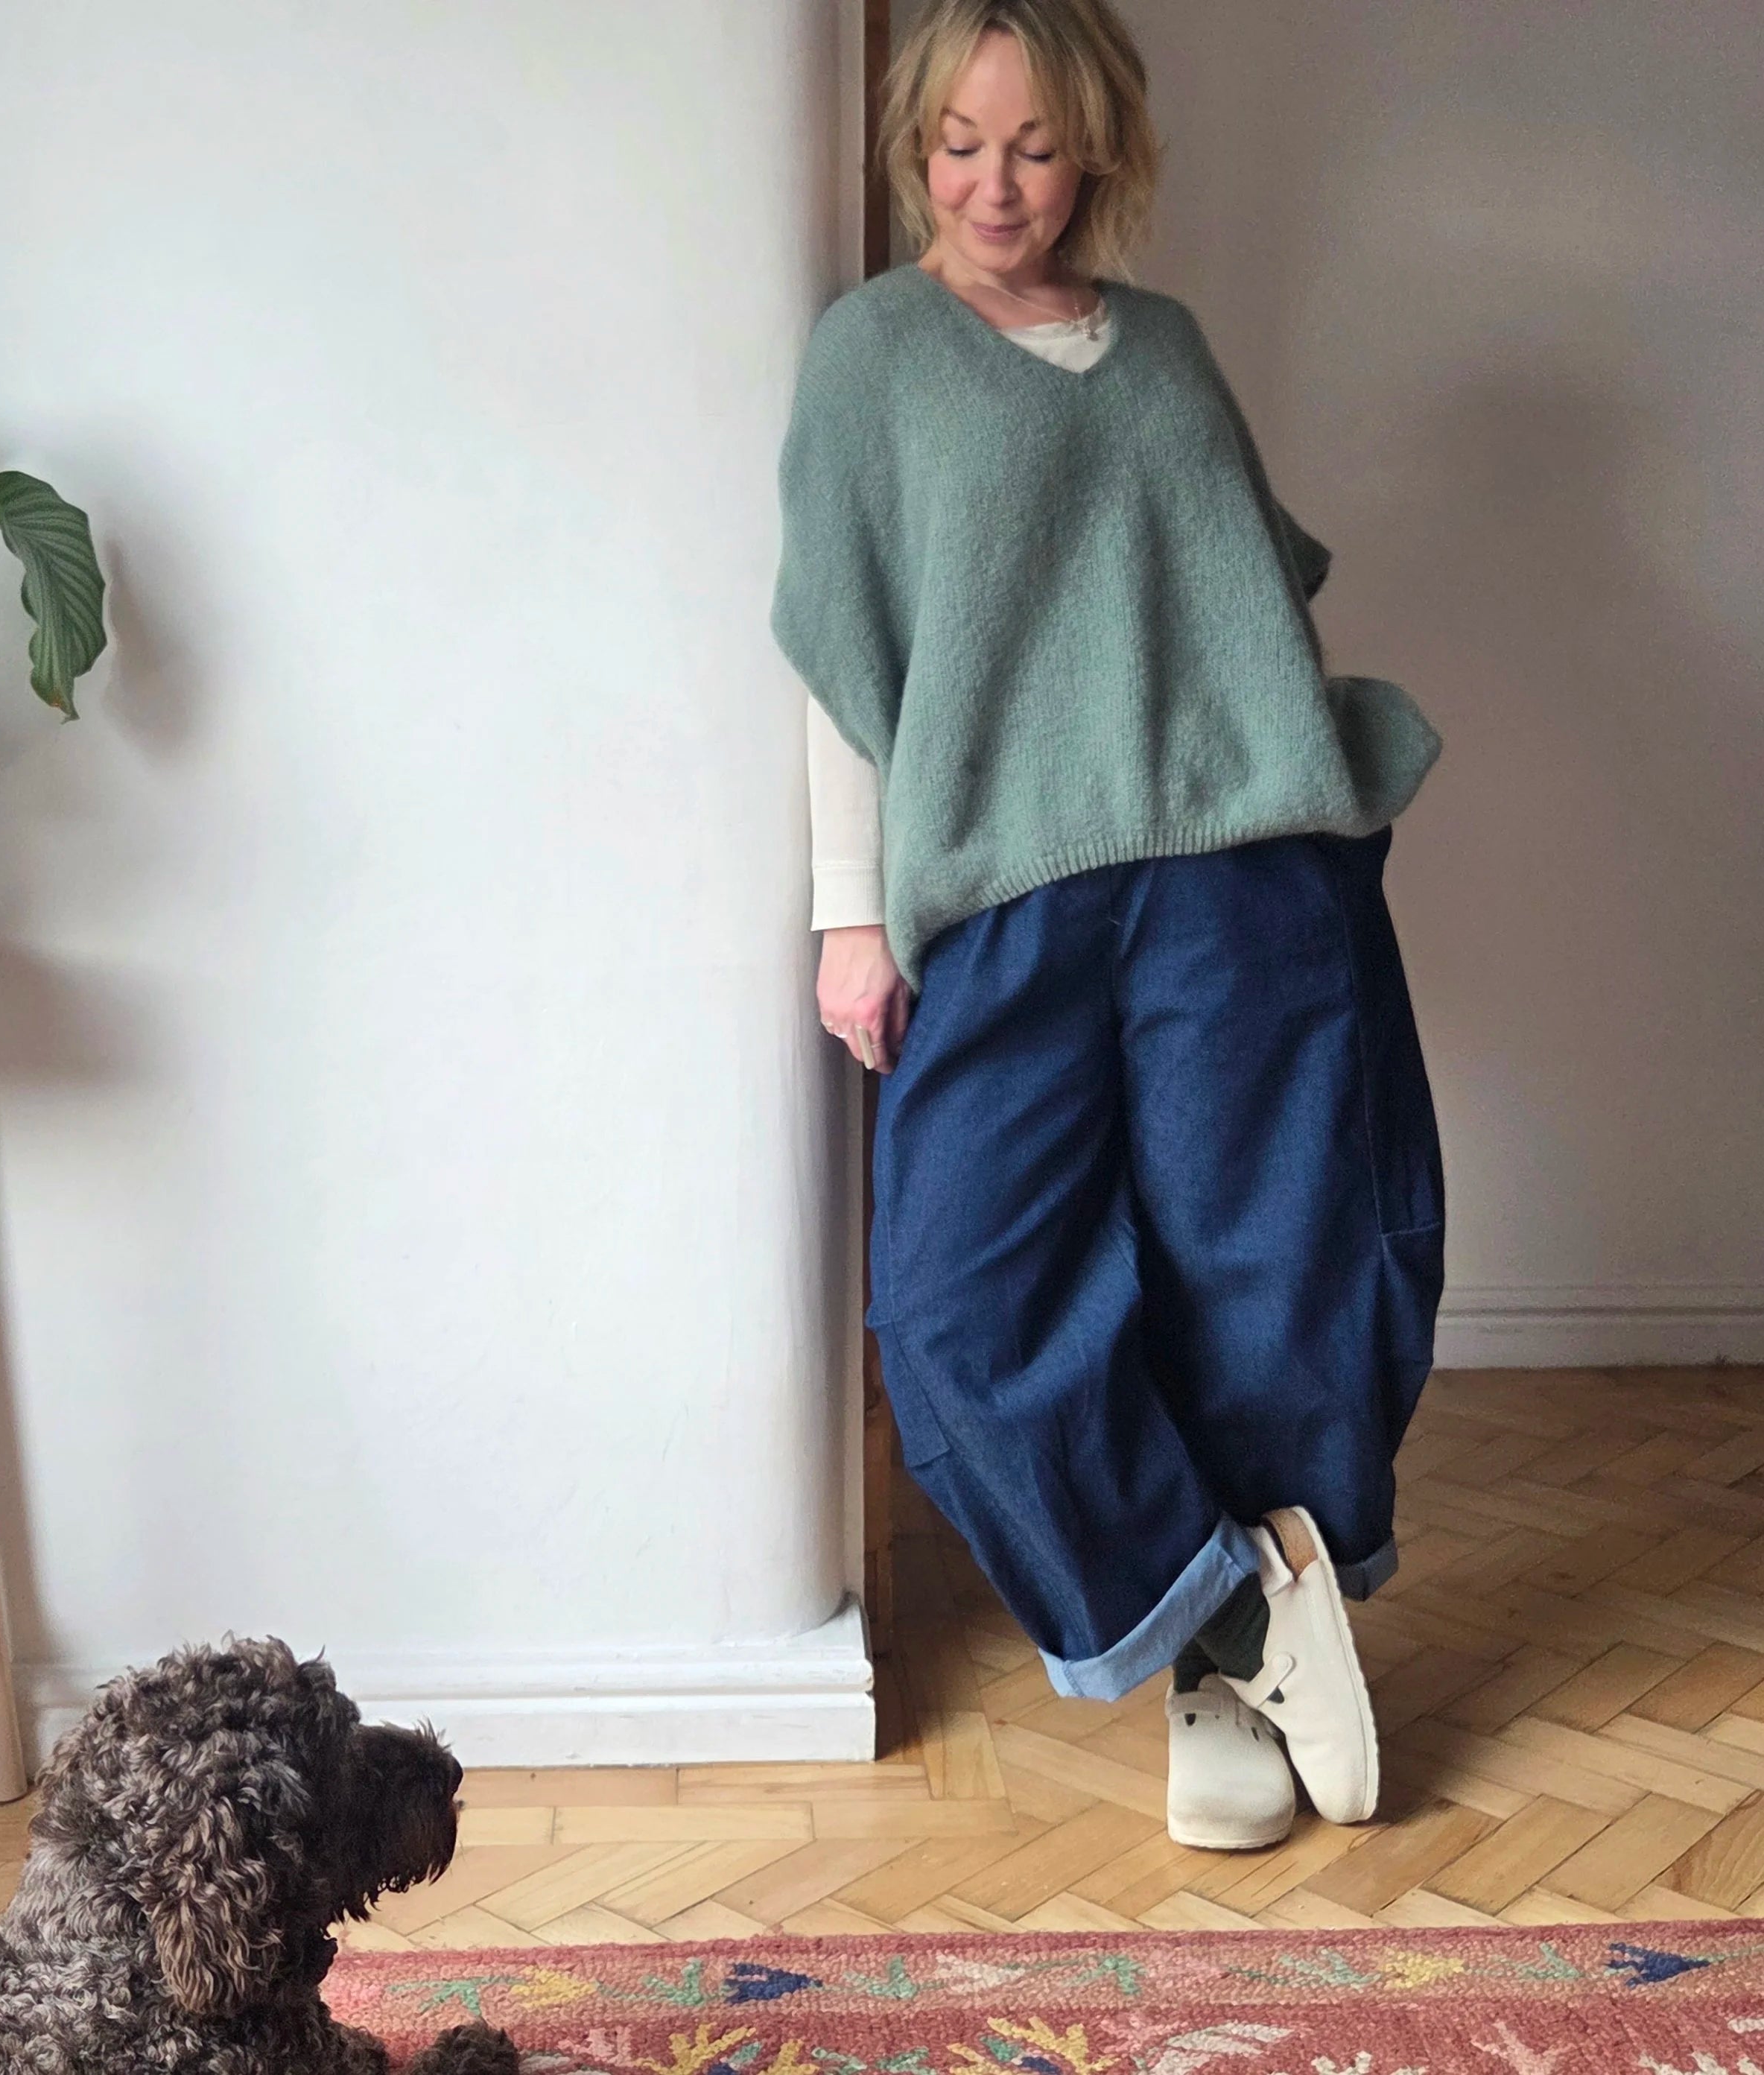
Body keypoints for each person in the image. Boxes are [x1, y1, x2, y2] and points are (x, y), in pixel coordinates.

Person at [771, 0, 1445, 1850]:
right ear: (913, 145)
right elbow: (841, 653)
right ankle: (1235, 1600)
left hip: (1231, 873)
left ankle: (1219, 1686)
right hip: (1004, 891)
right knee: (953, 1309)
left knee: (1267, 1267)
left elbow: (1237, 609)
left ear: (1096, 154)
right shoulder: (871, 355)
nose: (994, 186)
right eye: (957, 144)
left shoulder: (1161, 350)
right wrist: (849, 913)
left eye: (1035, 147)